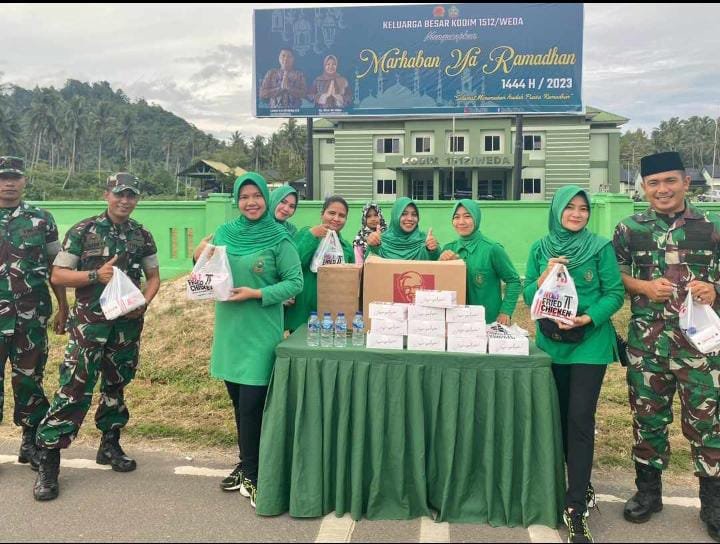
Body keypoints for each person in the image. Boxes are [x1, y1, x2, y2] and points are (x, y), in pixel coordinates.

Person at [612, 151, 720, 541]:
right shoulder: (629, 229)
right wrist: (642, 286)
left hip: (700, 348)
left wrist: (714, 288)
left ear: (686, 183)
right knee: (647, 419)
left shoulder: (710, 229)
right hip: (648, 345)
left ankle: (713, 503)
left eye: (670, 181)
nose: (662, 189)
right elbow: (615, 274)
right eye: (654, 183)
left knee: (708, 424)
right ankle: (648, 493)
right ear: (643, 187)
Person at [33, 173, 161, 501]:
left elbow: (153, 276)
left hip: (126, 327)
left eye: (131, 195)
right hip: (89, 327)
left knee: (116, 385)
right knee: (74, 388)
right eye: (119, 194)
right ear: (107, 195)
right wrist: (95, 274)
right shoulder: (83, 231)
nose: (125, 201)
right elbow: (58, 275)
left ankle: (110, 445)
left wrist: (144, 302)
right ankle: (49, 459)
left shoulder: (141, 234)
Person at [524, 185, 624, 543]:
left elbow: (615, 293)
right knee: (557, 416)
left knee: (580, 418)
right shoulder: (540, 248)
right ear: (557, 210)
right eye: (570, 207)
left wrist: (587, 318)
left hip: (589, 344)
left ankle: (576, 507)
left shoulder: (599, 247)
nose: (577, 214)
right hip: (552, 343)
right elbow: (528, 294)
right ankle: (572, 483)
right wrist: (543, 276)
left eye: (583, 208)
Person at [196, 173, 302, 508]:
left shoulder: (279, 238)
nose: (251, 202)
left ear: (266, 200)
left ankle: (255, 476)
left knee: (253, 406)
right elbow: (206, 275)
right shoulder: (225, 233)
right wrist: (198, 259)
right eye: (244, 197)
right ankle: (246, 464)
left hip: (261, 333)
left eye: (257, 196)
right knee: (239, 405)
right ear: (236, 200)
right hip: (230, 332)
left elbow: (295, 282)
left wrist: (257, 293)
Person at [0, 156, 67, 471]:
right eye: (3, 177)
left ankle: (30, 442)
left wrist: (63, 306)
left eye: (14, 177)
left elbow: (56, 267)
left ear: (24, 180)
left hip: (31, 315)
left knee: (30, 378)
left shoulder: (42, 219)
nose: (8, 183)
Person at [439, 199, 521, 325]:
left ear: (476, 218)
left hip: (487, 321)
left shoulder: (492, 249)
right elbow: (439, 285)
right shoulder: (448, 249)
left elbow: (513, 281)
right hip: (455, 322)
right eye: (456, 217)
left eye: (467, 216)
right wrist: (440, 262)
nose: (461, 222)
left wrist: (506, 311)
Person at [284, 196, 354, 333]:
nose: (336, 218)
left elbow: (350, 283)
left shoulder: (346, 248)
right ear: (322, 214)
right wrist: (312, 236)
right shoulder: (306, 234)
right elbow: (292, 264)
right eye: (331, 213)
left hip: (333, 315)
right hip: (302, 313)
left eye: (342, 216)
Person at [366, 197, 439, 261]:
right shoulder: (381, 241)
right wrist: (373, 247)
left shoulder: (425, 242)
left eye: (414, 214)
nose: (410, 219)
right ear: (395, 216)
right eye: (404, 214)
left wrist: (433, 250)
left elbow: (437, 265)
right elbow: (369, 267)